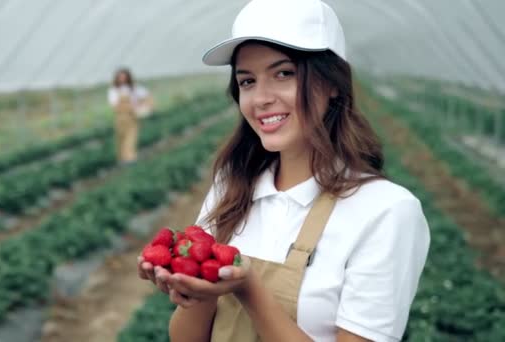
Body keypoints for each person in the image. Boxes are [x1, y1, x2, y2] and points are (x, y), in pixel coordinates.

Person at [137, 0, 430, 341]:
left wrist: (249, 289)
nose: (260, 98)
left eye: (283, 73)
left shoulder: (385, 211)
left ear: (332, 82)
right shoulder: (232, 187)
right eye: (247, 81)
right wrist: (198, 289)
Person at [108, 67, 153, 164]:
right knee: (121, 139)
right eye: (120, 77)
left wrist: (146, 105)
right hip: (120, 117)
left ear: (128, 77)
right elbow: (115, 107)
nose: (122, 79)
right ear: (116, 78)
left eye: (124, 77)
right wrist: (131, 107)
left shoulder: (134, 88)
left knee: (131, 138)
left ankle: (130, 159)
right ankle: (122, 160)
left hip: (132, 117)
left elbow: (147, 96)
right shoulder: (114, 90)